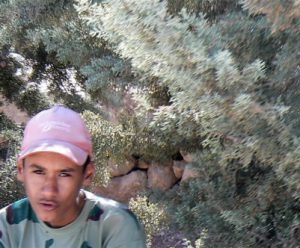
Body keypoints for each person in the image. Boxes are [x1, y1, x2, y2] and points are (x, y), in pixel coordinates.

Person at [0, 105, 146, 248]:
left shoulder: (115, 225)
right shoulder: (5, 227)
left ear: (87, 173)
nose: (49, 191)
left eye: (64, 174)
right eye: (39, 172)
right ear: (21, 169)